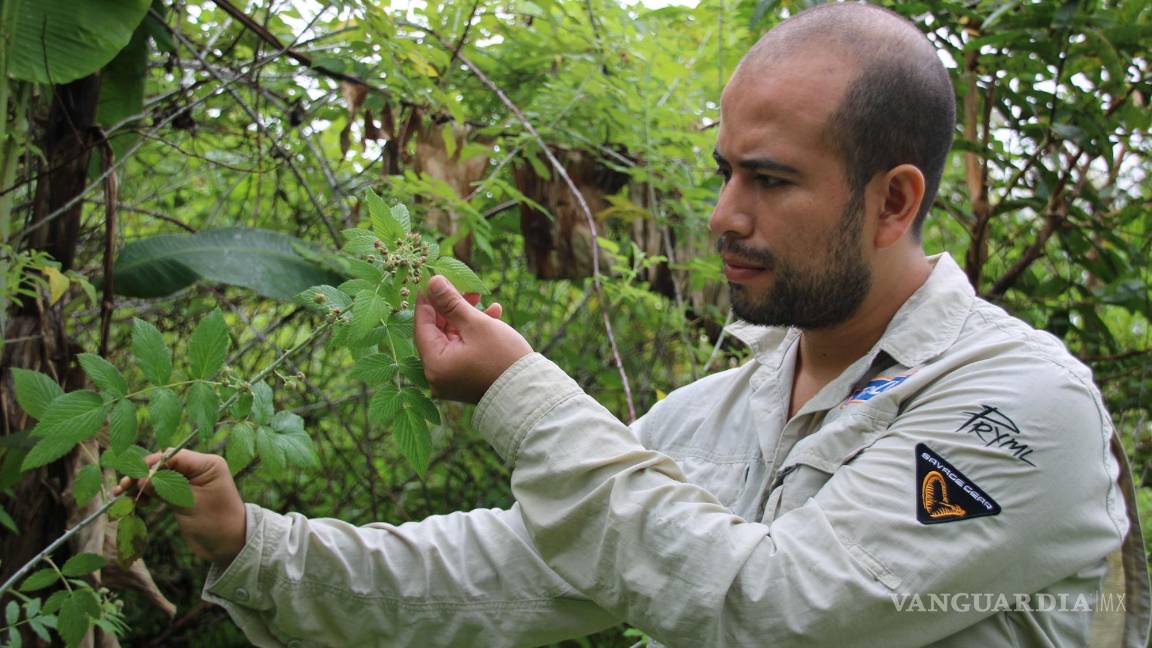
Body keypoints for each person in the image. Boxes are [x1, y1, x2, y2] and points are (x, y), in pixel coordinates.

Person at [124, 3, 1151, 646]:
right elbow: (513, 568)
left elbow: (781, 612)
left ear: (893, 201)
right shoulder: (724, 410)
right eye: (724, 172)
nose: (723, 217)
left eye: (770, 180)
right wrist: (258, 544)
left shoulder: (1020, 404)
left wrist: (518, 396)